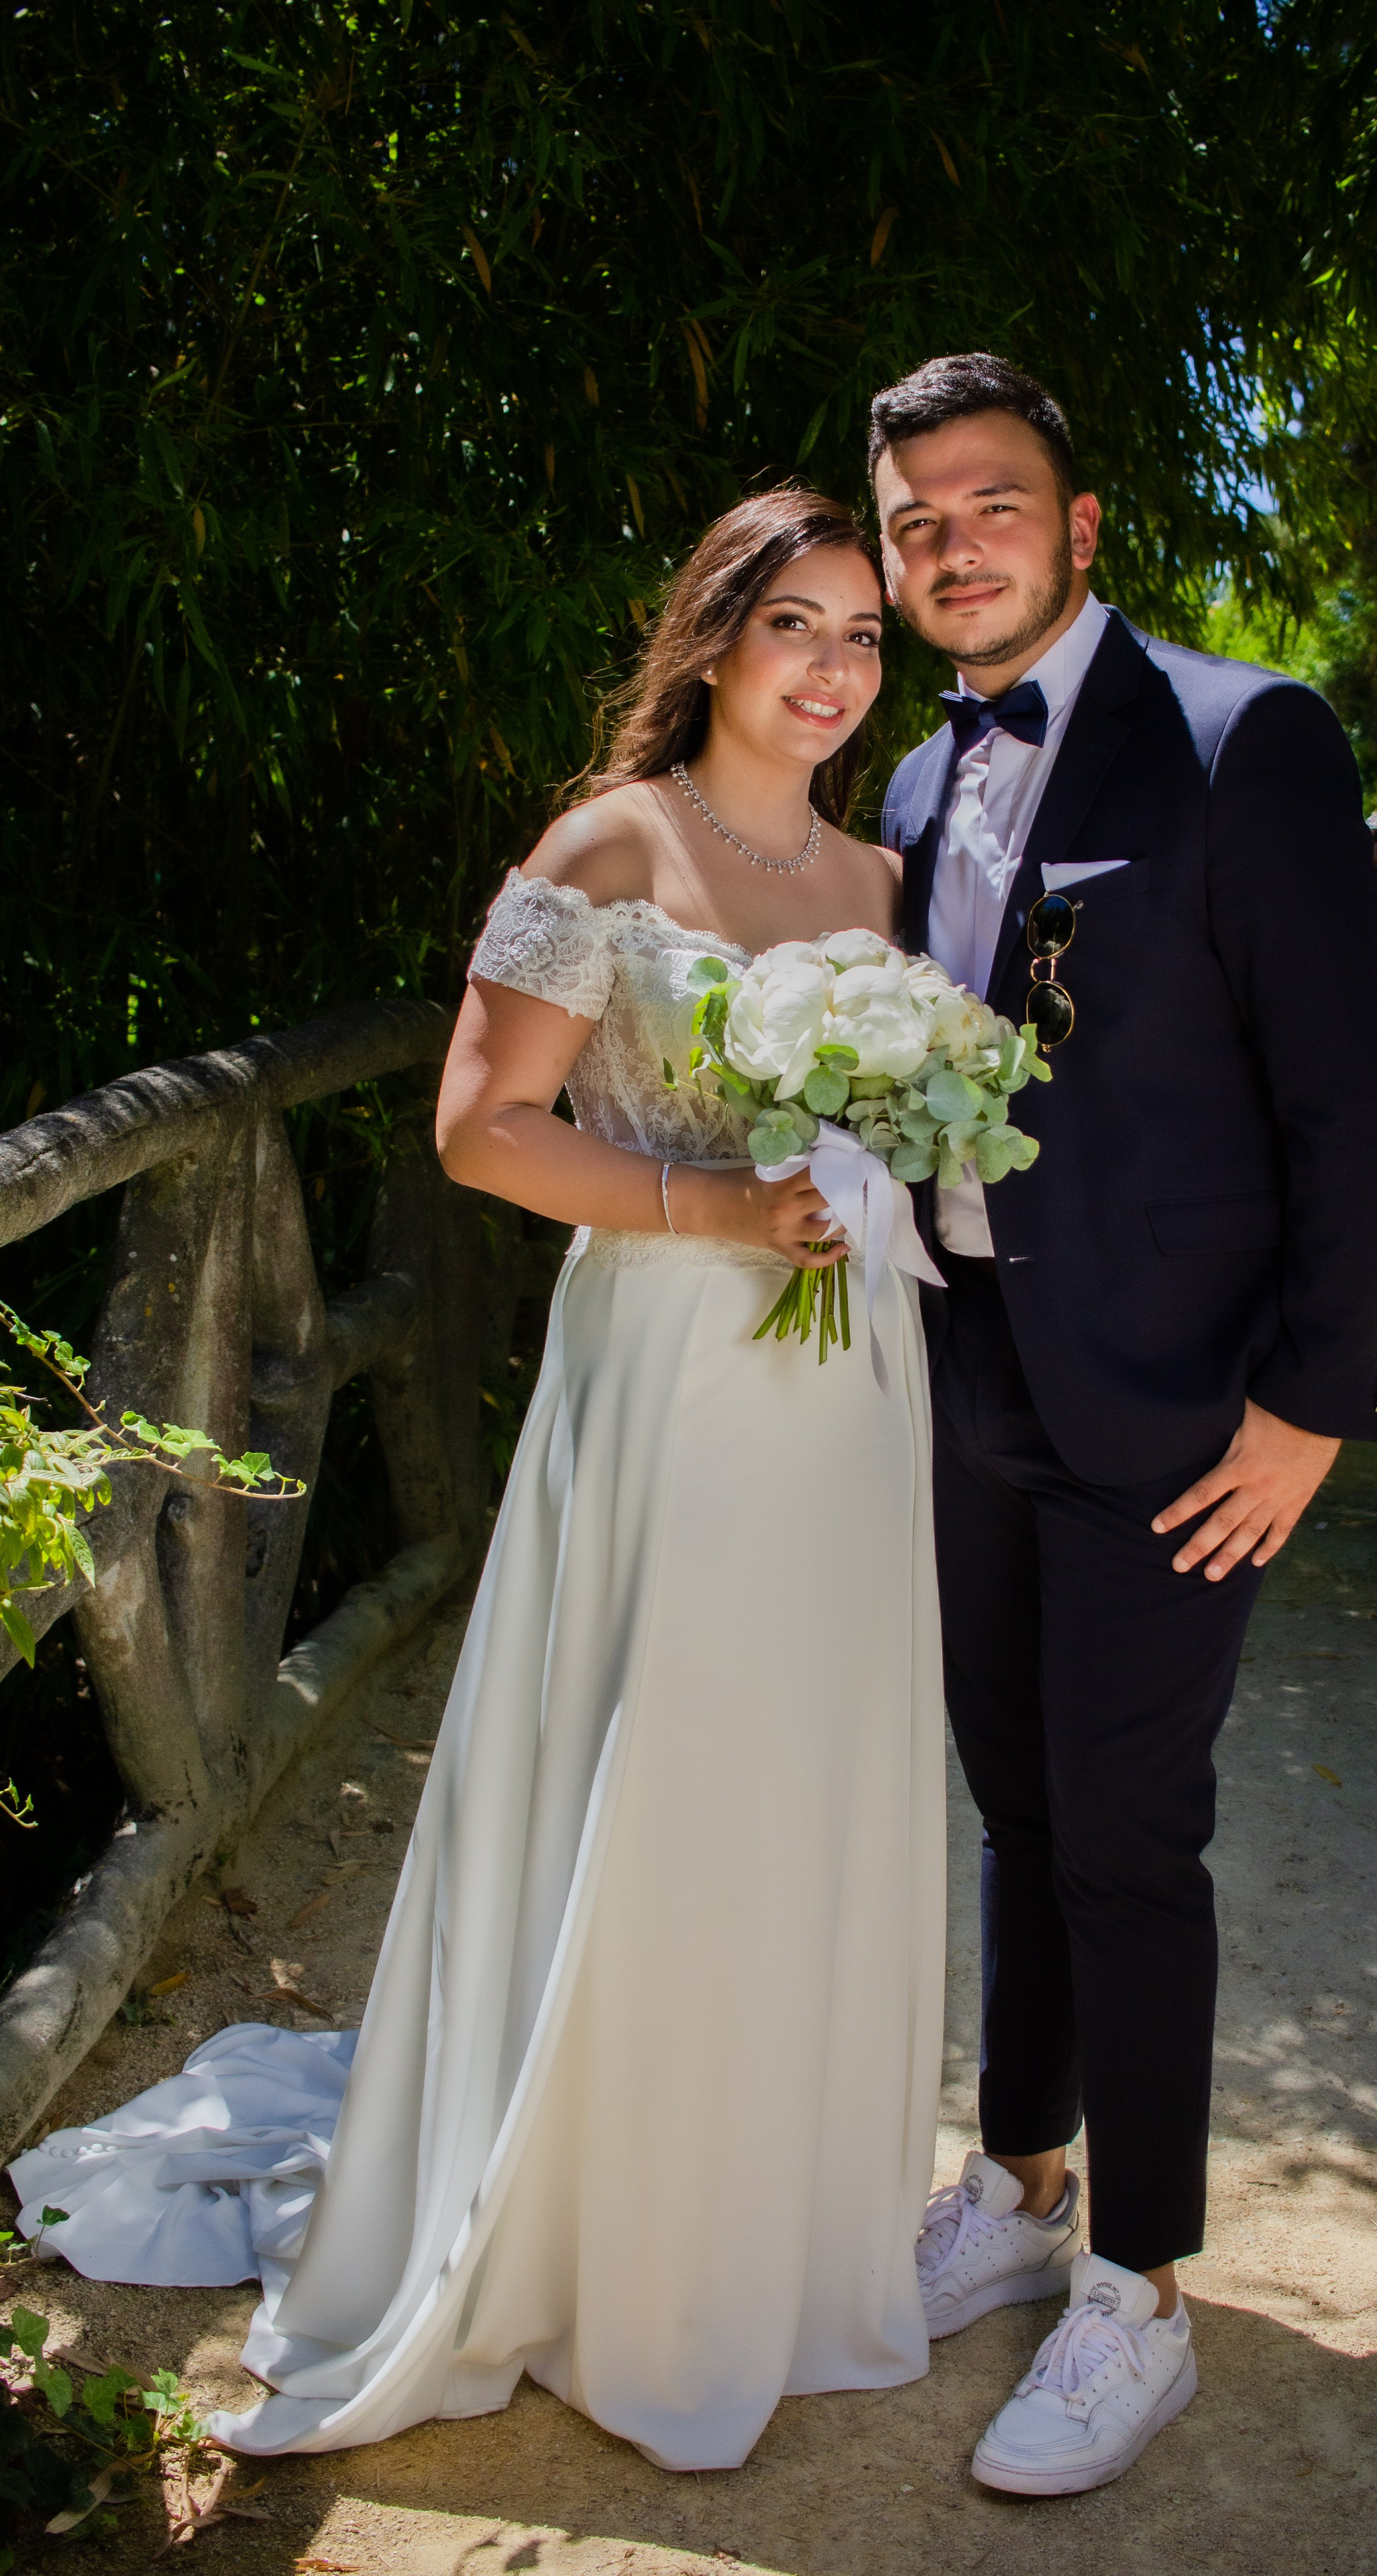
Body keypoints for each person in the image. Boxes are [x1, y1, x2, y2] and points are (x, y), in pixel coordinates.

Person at [8, 490, 947, 2473]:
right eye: (798, 622)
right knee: (661, 1759)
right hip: (672, 1369)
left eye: (867, 636)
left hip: (849, 1386)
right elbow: (476, 1130)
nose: (836, 668)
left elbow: (886, 1126)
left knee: (803, 1773)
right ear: (713, 638)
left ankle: (758, 2230)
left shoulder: (875, 877)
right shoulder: (608, 847)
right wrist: (717, 1204)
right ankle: (585, 2228)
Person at [873, 354, 1377, 2497]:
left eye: (989, 504)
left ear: (1082, 526)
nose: (951, 548)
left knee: (1127, 1829)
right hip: (965, 1372)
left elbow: (1353, 1100)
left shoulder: (1241, 733)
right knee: (1014, 1802)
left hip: (1185, 1410)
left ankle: (1144, 2290)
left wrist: (1313, 1408)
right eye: (916, 521)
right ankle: (1016, 2193)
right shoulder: (916, 790)